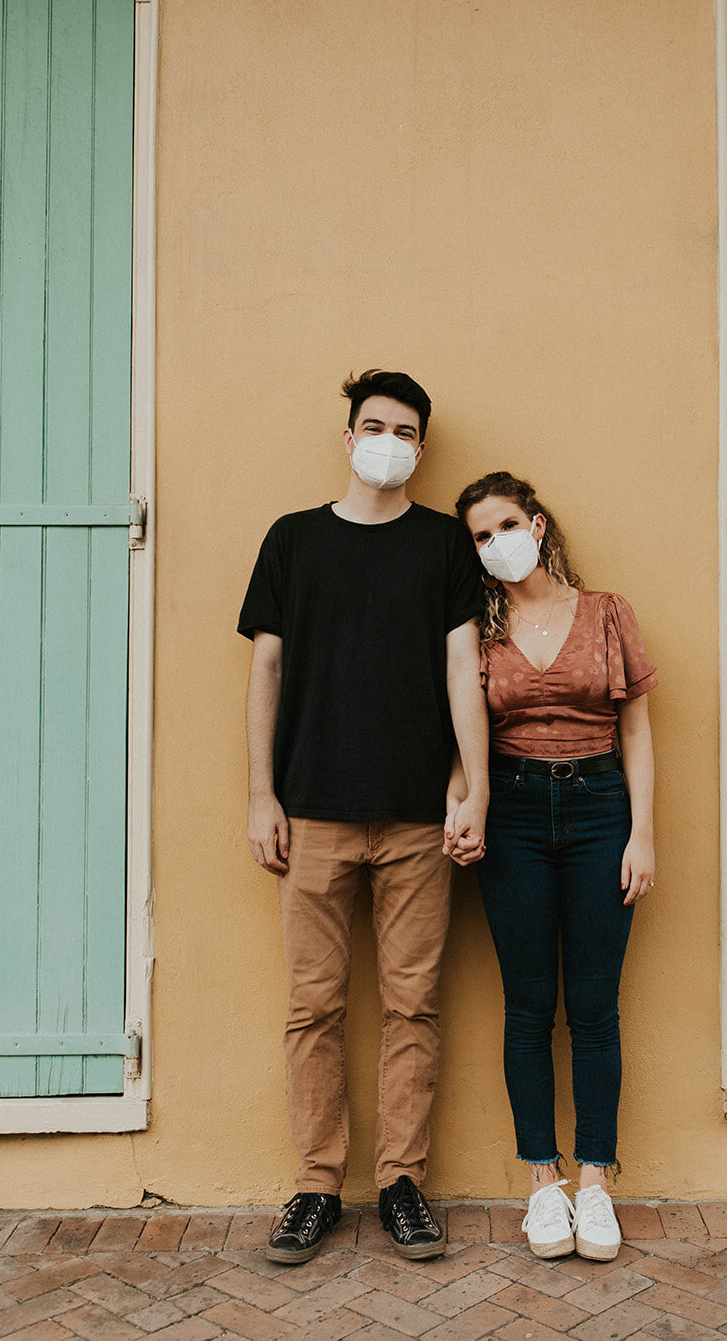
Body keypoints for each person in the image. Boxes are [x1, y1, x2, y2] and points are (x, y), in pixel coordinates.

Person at [238, 370, 488, 1265]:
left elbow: (466, 671)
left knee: (413, 1005)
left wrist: (473, 785)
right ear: (348, 439)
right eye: (374, 425)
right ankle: (316, 1185)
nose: (389, 440)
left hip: (420, 817)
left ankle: (400, 1184)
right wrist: (262, 794)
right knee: (314, 1007)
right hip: (311, 814)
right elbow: (264, 672)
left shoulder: (441, 547)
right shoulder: (293, 541)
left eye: (406, 430)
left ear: (420, 448)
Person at [446, 471, 656, 1264]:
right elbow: (466, 734)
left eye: (504, 524)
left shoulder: (607, 612)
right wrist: (463, 803)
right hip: (517, 816)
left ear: (536, 524)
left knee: (595, 1006)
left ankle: (596, 1181)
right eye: (478, 534)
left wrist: (643, 835)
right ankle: (543, 1182)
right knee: (529, 1006)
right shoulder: (478, 626)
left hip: (601, 809)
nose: (494, 541)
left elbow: (635, 730)